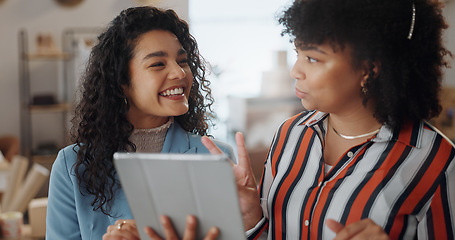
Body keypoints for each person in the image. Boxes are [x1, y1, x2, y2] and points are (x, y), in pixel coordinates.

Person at [203, 0, 455, 239]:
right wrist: (252, 220)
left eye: (312, 58)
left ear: (369, 68)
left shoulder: (437, 163)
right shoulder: (290, 134)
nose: (295, 71)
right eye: (297, 52)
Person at [45, 6, 234, 240]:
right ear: (121, 81)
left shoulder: (216, 159)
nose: (179, 73)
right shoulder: (72, 166)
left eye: (182, 61)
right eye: (158, 64)